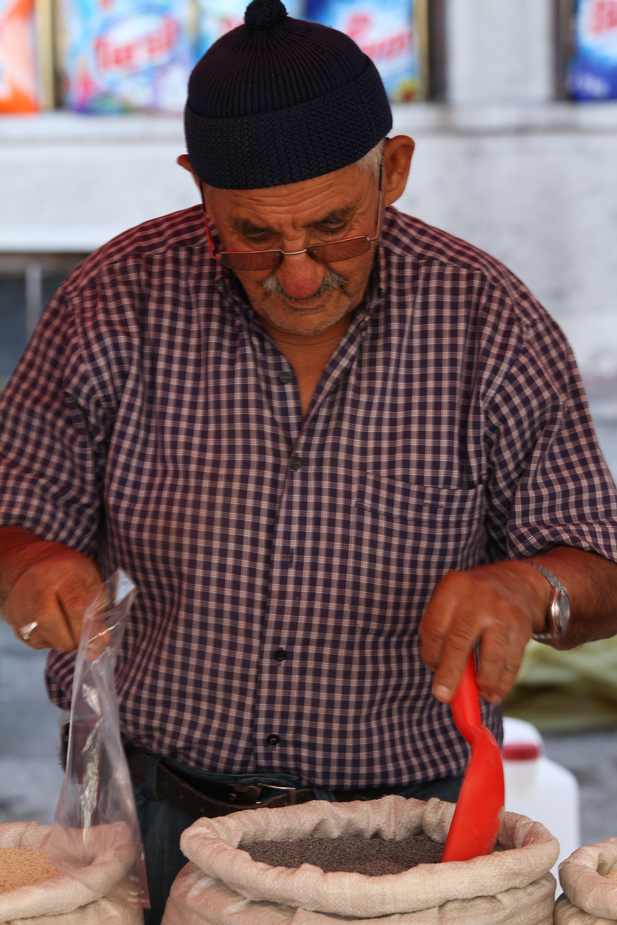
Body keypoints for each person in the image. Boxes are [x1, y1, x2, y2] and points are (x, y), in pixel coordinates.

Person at [1, 0, 617, 920]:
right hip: (164, 808)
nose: (296, 271)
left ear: (393, 171)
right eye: (251, 234)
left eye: (333, 226)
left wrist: (531, 589)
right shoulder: (114, 302)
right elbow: (18, 515)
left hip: (412, 827)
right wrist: (32, 562)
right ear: (196, 186)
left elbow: (599, 570)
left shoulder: (489, 323)